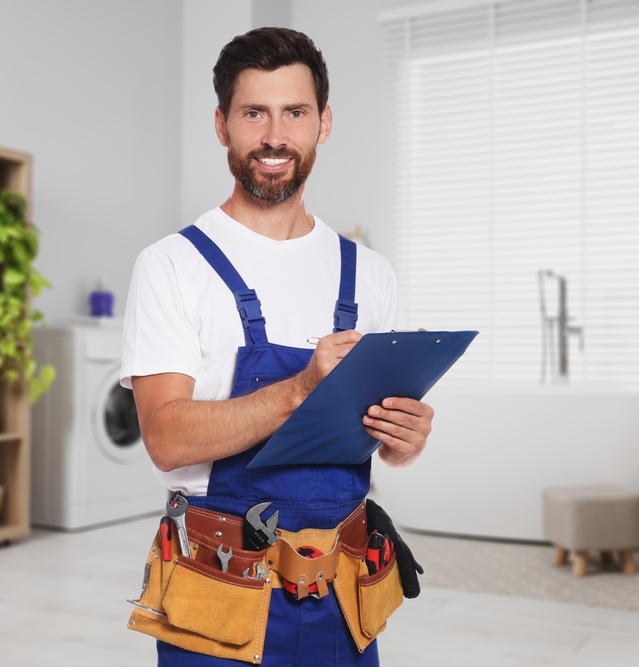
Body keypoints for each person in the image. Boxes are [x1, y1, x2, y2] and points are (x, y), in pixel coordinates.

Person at [120, 27, 433, 666]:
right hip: (218, 593)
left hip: (343, 598)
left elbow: (380, 442)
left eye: (295, 112)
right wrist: (298, 390)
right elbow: (166, 438)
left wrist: (405, 437)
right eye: (253, 113)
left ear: (323, 123)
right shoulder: (172, 265)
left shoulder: (370, 274)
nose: (274, 135)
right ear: (221, 125)